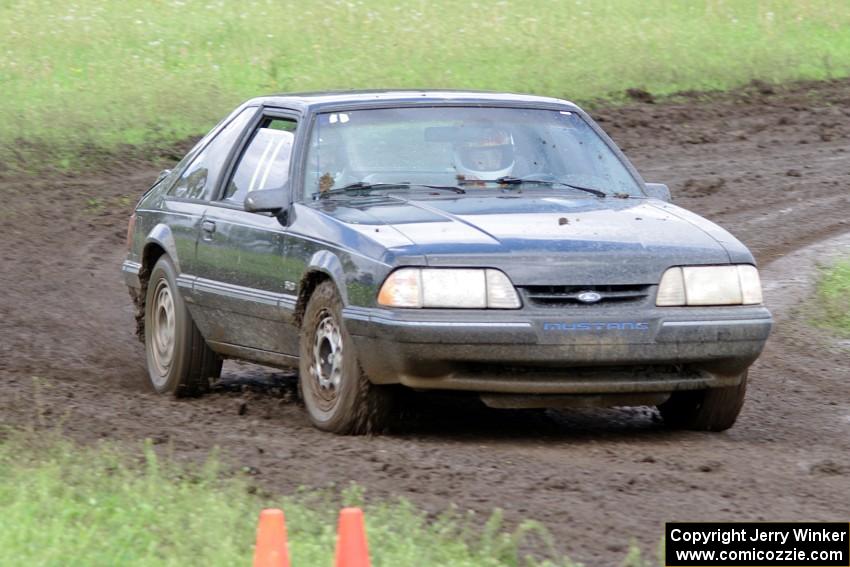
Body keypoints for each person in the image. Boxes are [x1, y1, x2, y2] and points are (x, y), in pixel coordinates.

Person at [452, 127, 516, 181]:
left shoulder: (522, 184)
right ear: (466, 158)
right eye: (481, 157)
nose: (490, 163)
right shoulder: (448, 188)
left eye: (495, 155)